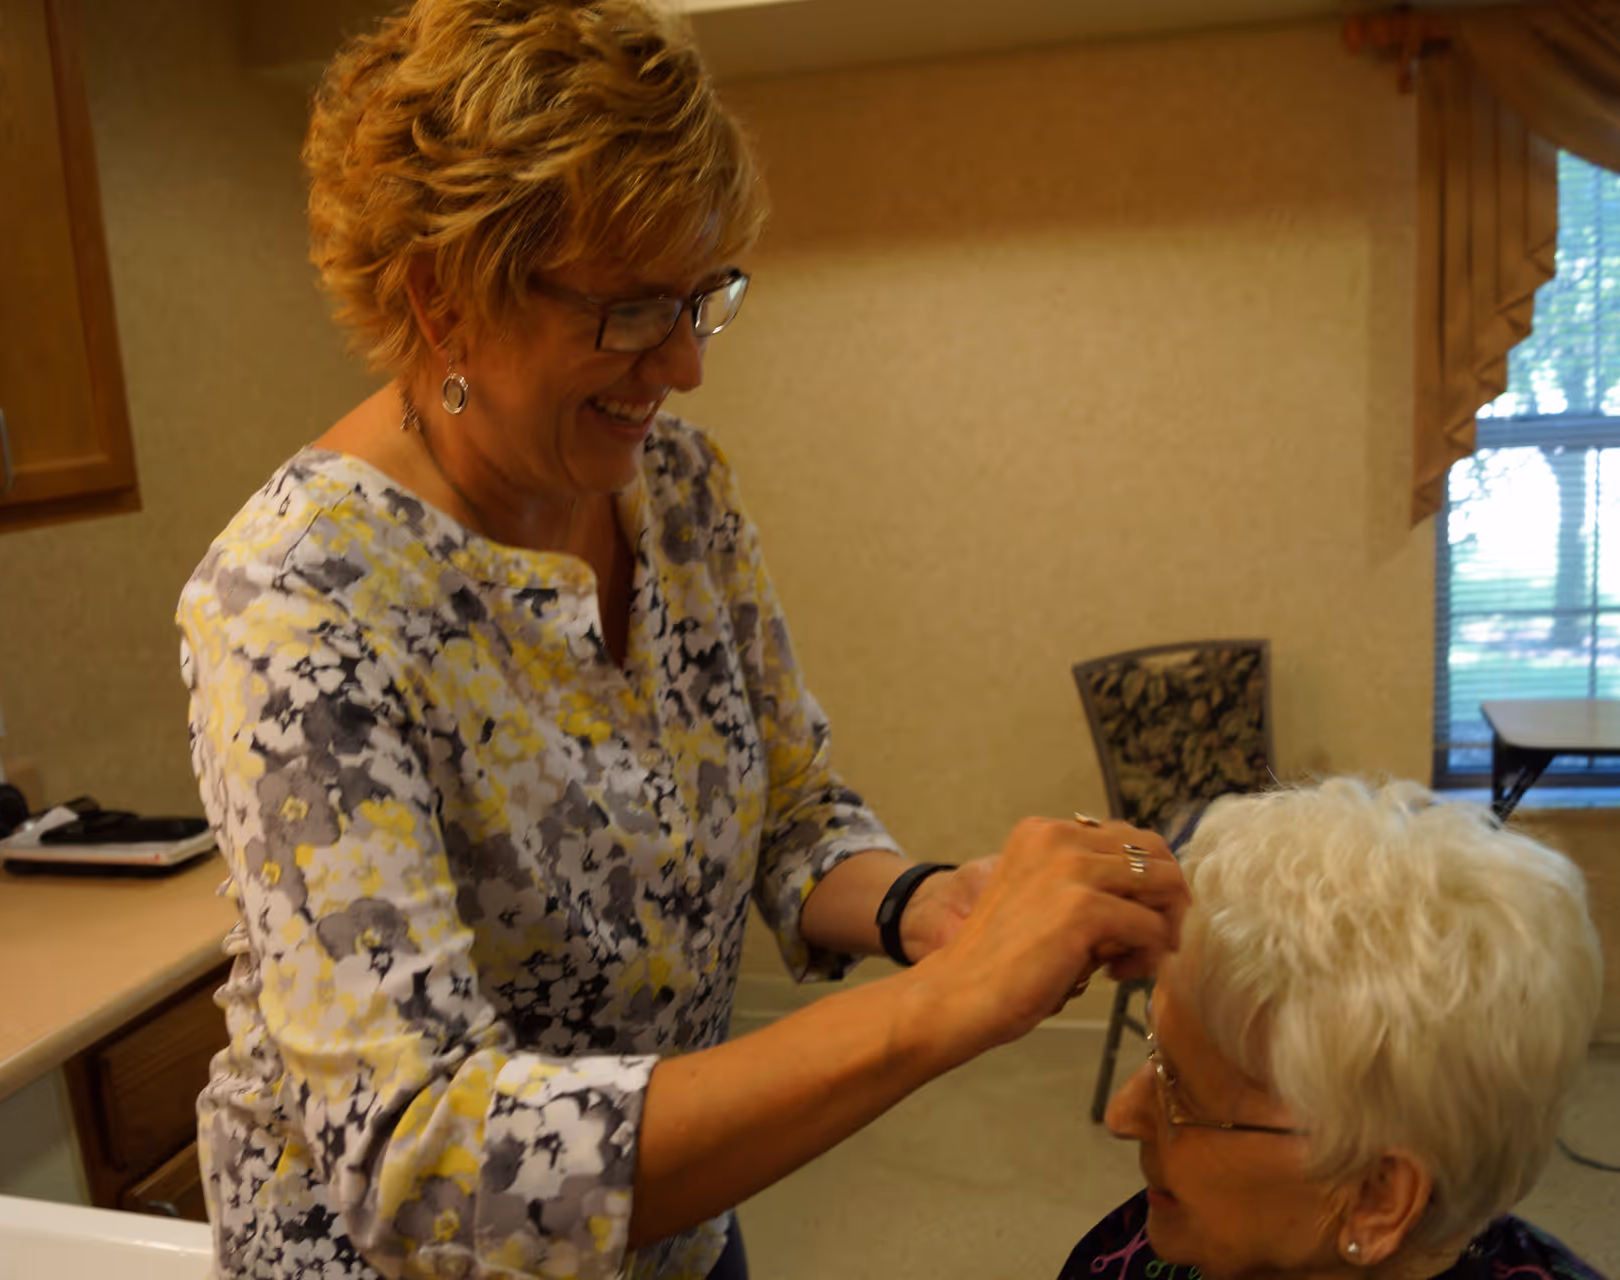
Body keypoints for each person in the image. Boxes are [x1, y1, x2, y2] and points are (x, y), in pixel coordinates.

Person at [174, 2, 1188, 1278]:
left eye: (702, 298)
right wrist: (936, 1011)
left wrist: (932, 907)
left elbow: (788, 805)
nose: (684, 366)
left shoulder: (677, 489)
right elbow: (422, 1160)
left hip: (673, 1224)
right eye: (631, 309)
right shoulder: (298, 601)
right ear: (443, 295)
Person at [1059, 778, 1609, 1280]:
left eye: (1180, 1093)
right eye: (1156, 1051)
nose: (1120, 1116)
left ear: (1375, 1198)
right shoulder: (1141, 1244)